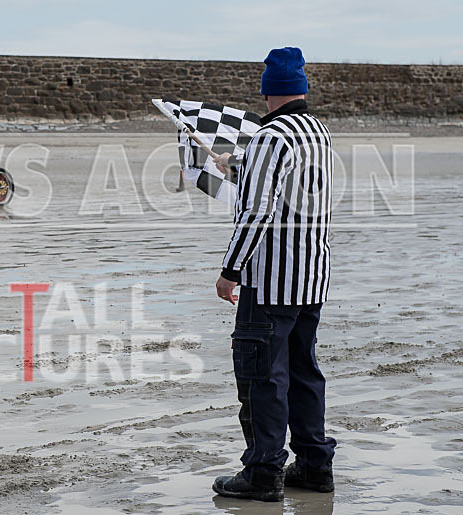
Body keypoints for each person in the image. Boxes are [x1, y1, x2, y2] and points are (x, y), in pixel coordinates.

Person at [211, 47, 337, 502]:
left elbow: (259, 210)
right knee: (304, 373)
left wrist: (230, 269)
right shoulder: (316, 132)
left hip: (271, 281)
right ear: (301, 88)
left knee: (262, 377)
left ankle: (263, 472)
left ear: (267, 90)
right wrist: (235, 166)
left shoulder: (269, 137)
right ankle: (314, 464)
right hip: (312, 277)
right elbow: (289, 185)